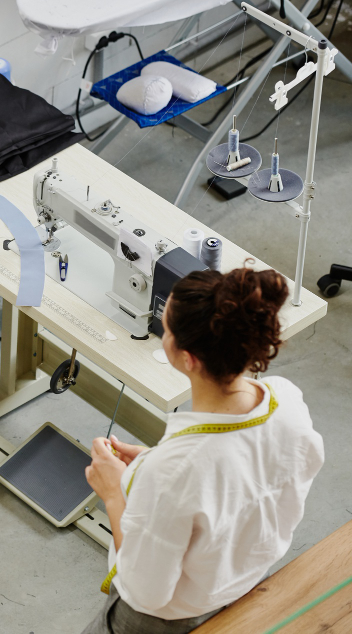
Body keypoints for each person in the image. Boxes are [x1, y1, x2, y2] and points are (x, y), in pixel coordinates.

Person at [81, 264, 325, 634]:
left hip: (165, 621)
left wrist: (115, 493)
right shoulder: (286, 401)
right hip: (244, 584)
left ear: (187, 358)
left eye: (166, 331)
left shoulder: (175, 471)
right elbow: (236, 477)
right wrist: (147, 467)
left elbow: (146, 593)